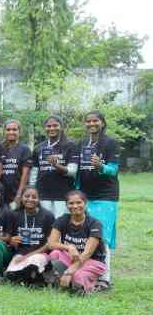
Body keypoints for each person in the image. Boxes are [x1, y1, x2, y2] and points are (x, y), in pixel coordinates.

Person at [76, 110, 119, 289]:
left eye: (95, 121)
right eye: (88, 121)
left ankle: (105, 279)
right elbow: (78, 170)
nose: (91, 124)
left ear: (102, 122)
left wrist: (101, 166)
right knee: (87, 236)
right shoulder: (82, 143)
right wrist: (77, 192)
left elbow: (114, 169)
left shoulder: (110, 142)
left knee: (102, 237)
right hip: (85, 196)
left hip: (106, 197)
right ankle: (89, 273)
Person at [47, 191, 107, 294]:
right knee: (54, 254)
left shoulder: (95, 224)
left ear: (85, 203)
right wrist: (69, 247)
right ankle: (64, 280)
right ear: (66, 205)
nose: (75, 206)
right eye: (71, 203)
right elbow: (51, 243)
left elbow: (87, 254)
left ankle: (95, 285)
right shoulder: (63, 219)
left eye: (79, 202)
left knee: (77, 279)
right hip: (72, 258)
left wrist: (69, 272)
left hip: (92, 261)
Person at [4, 187, 55, 286]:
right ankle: (29, 278)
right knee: (10, 274)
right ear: (21, 198)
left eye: (34, 197)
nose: (30, 199)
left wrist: (28, 256)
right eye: (27, 196)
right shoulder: (14, 214)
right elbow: (9, 239)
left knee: (34, 262)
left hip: (41, 253)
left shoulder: (48, 216)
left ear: (39, 199)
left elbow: (50, 244)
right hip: (20, 254)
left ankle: (34, 278)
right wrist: (12, 241)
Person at [29, 115, 78, 217]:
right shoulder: (39, 147)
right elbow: (34, 172)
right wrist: (33, 190)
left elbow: (73, 172)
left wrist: (56, 165)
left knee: (60, 226)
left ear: (61, 127)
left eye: (55, 125)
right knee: (45, 225)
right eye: (48, 126)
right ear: (45, 128)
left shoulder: (70, 146)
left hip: (63, 195)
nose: (51, 128)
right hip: (42, 194)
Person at [0, 120, 32, 205]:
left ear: (19, 132)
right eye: (8, 129)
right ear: (4, 131)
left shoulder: (25, 149)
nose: (11, 132)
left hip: (17, 192)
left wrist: (19, 194)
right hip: (0, 193)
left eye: (14, 129)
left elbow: (25, 175)